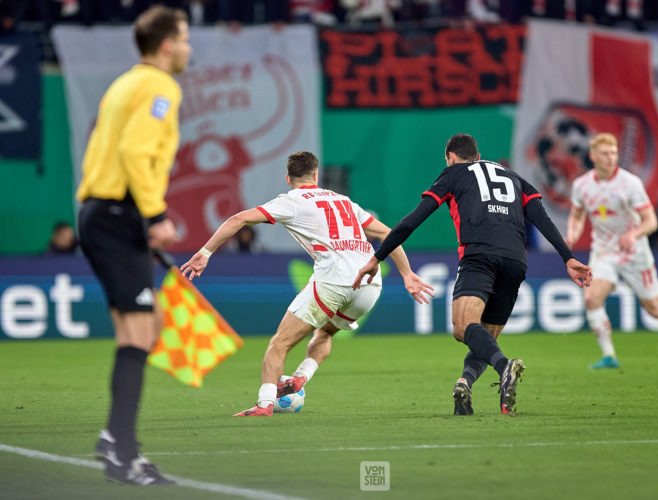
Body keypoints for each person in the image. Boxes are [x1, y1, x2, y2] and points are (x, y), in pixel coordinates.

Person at [354, 133, 592, 416]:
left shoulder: (453, 173)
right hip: (516, 260)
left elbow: (411, 222)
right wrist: (568, 257)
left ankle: (505, 368)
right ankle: (464, 383)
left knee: (461, 327)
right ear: (478, 156)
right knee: (486, 338)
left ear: (451, 157)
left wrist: (377, 257)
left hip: (479, 256)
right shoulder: (512, 175)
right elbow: (540, 217)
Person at [180, 151, 433, 416]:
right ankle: (301, 377)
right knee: (325, 333)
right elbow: (386, 234)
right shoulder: (343, 200)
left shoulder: (291, 201)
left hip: (334, 280)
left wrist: (205, 253)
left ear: (288, 179)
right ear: (316, 174)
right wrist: (407, 274)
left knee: (279, 344)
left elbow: (238, 219)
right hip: (369, 284)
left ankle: (265, 404)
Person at [76, 5, 191, 485]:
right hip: (119, 213)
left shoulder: (124, 83)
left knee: (145, 328)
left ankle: (114, 439)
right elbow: (134, 152)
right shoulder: (160, 86)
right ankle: (124, 454)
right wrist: (156, 215)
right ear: (166, 44)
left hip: (102, 212)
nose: (187, 48)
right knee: (140, 334)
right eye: (185, 39)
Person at [565, 133, 658, 369]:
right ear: (593, 156)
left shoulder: (630, 183)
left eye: (614, 153)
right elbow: (577, 216)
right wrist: (572, 235)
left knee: (655, 309)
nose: (611, 158)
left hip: (634, 253)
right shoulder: (581, 186)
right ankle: (609, 356)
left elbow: (651, 221)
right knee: (591, 297)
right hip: (604, 251)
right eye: (605, 154)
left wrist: (633, 234)